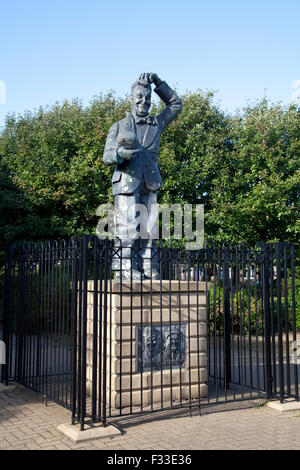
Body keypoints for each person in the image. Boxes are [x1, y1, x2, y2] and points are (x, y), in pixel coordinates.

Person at [103, 73, 182, 280]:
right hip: (127, 182)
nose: (143, 101)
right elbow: (107, 156)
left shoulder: (156, 123)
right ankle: (125, 268)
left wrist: (158, 82)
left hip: (150, 182)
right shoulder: (118, 126)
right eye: (139, 97)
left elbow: (175, 104)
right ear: (131, 98)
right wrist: (121, 154)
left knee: (149, 228)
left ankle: (149, 267)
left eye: (147, 98)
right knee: (127, 226)